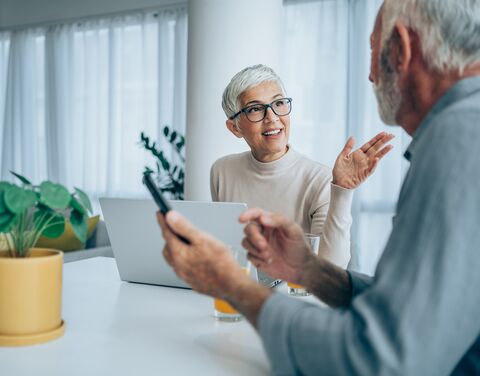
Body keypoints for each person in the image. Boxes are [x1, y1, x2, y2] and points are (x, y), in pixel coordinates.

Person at [158, 0, 480, 374]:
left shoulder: (460, 137)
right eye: (256, 110)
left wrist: (234, 287)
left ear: (401, 50)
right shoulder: (461, 129)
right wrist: (310, 270)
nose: (372, 77)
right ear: (235, 125)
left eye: (373, 53)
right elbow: (418, 312)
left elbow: (378, 359)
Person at [211, 64, 394, 267]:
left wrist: (342, 190)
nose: (272, 118)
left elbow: (330, 268)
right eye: (255, 109)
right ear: (234, 127)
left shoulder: (320, 179)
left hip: (297, 295)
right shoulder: (222, 171)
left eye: (279, 103)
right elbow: (229, 253)